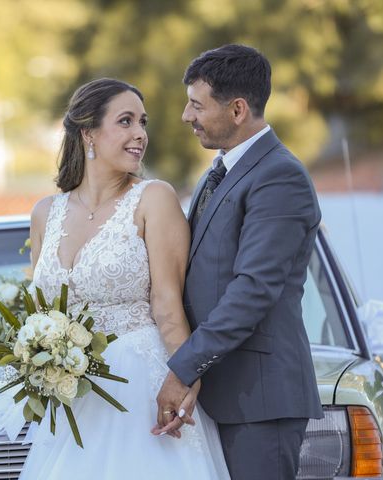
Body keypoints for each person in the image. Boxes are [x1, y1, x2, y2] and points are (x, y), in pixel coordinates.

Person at [14, 78, 230, 478]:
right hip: (74, 398)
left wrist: (186, 377)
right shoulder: (45, 212)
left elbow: (168, 304)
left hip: (140, 388)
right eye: (126, 122)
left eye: (142, 123)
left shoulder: (154, 198)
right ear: (88, 133)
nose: (140, 135)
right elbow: (41, 312)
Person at [153, 44, 323, 479]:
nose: (186, 117)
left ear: (237, 110)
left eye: (196, 105)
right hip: (222, 396)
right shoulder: (221, 173)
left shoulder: (279, 176)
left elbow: (254, 289)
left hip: (259, 400)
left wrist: (184, 367)